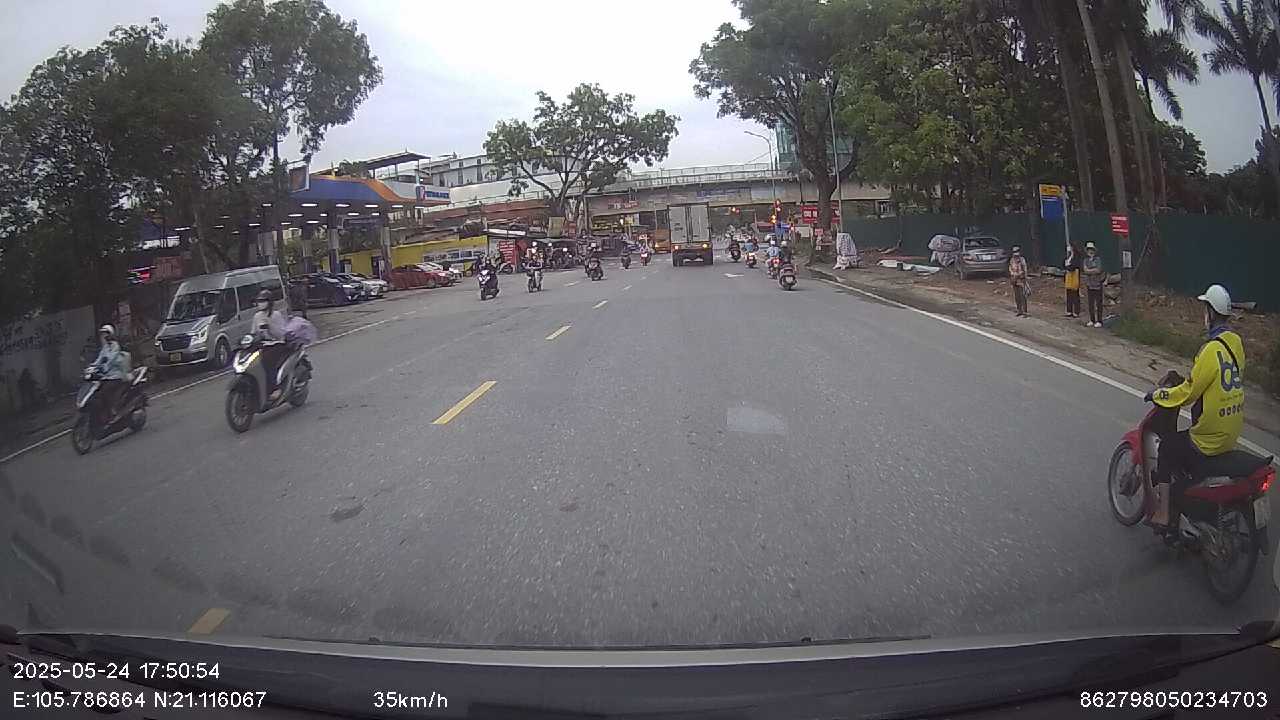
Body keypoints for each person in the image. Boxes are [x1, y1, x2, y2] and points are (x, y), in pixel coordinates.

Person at [1150, 284, 1246, 527]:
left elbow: (1189, 393)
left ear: (1211, 313)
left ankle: (1163, 514)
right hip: (1231, 432)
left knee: (1167, 447)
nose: (1204, 315)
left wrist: (1160, 394)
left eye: (1205, 309)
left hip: (1209, 438)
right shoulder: (1235, 343)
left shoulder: (1210, 349)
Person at [252, 289, 290, 401]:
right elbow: (253, 332)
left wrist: (270, 327)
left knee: (267, 362)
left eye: (264, 301)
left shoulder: (276, 315)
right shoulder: (257, 316)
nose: (261, 303)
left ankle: (275, 388)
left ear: (270, 302)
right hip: (263, 344)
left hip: (277, 344)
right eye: (259, 301)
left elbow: (281, 333)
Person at [89, 324, 129, 422]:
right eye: (102, 334)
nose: (104, 336)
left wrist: (104, 368)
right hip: (106, 377)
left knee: (105, 392)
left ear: (110, 334)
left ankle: (112, 411)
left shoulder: (115, 346)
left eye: (106, 333)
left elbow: (111, 360)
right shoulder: (106, 347)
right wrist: (92, 367)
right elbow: (100, 359)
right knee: (95, 392)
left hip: (116, 376)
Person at [1081, 242, 1105, 327]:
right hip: (1089, 284)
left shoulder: (1098, 259)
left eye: (1091, 250)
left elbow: (1098, 270)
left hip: (1097, 283)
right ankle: (1092, 319)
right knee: (1090, 303)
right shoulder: (1085, 260)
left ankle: (1099, 320)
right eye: (1088, 250)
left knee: (1098, 303)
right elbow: (1085, 270)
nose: (1090, 251)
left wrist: (1089, 270)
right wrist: (1092, 270)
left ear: (1094, 251)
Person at [1008, 246, 1029, 317]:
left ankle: (1025, 311)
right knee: (1017, 296)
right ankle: (1019, 310)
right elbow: (1010, 269)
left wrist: (1024, 277)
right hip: (1014, 279)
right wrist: (1013, 276)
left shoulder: (1022, 260)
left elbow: (1024, 269)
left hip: (1021, 279)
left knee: (1023, 295)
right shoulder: (1012, 260)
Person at [1063, 241, 1081, 319]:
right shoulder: (1068, 256)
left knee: (1075, 294)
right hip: (1068, 276)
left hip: (1074, 275)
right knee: (1069, 293)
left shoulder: (1076, 256)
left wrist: (1068, 267)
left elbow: (1075, 266)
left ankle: (1076, 311)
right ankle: (1069, 310)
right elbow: (1064, 263)